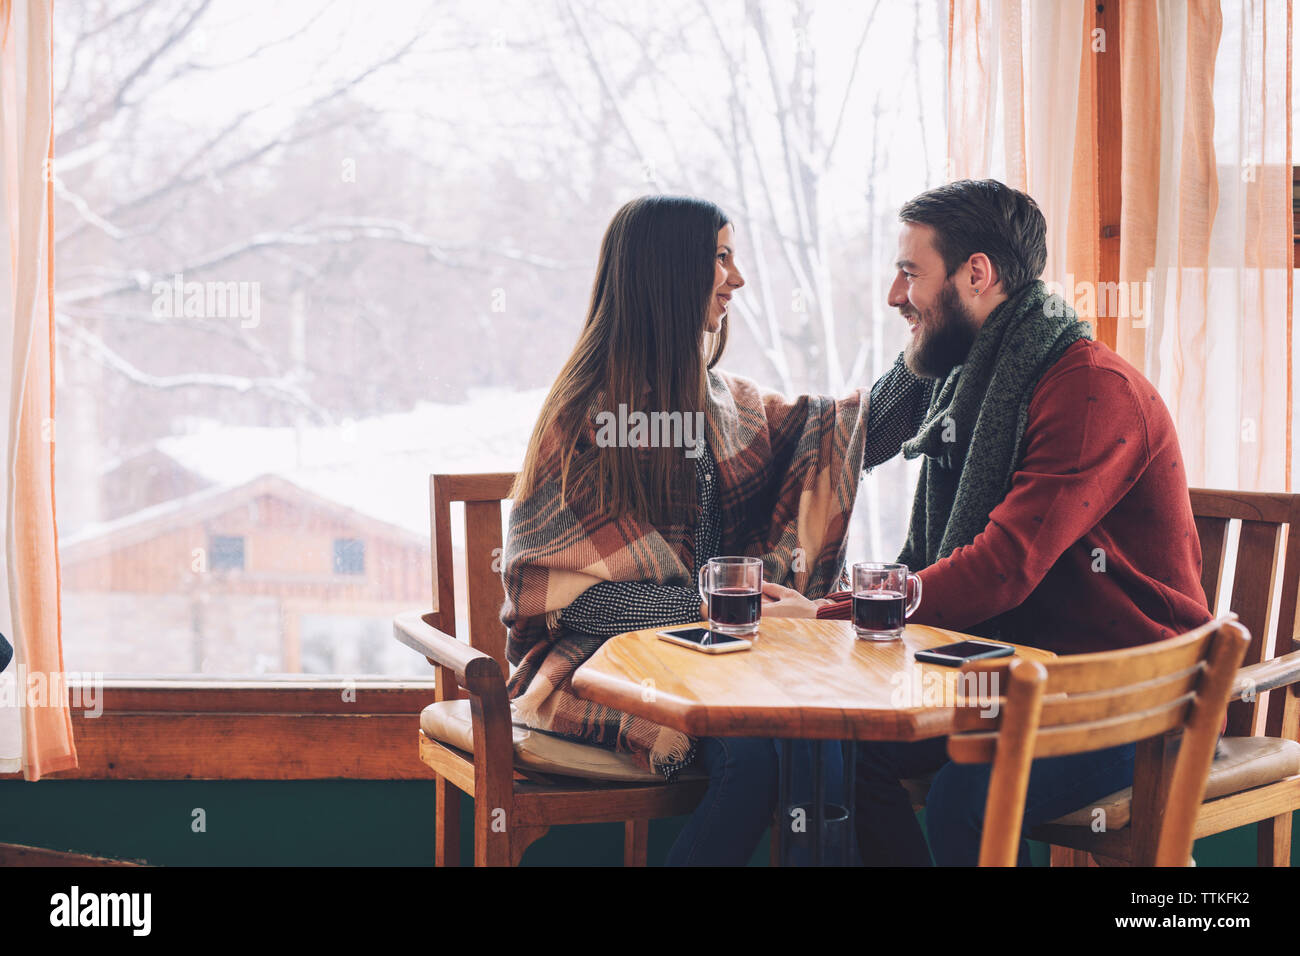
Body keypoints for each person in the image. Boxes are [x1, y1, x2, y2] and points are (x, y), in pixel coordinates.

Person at [761, 179, 1213, 866]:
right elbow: (854, 434)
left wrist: (834, 615)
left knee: (966, 799)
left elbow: (1004, 564)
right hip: (1018, 682)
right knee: (848, 754)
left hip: (1132, 697)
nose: (892, 295)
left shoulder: (1091, 390)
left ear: (978, 273)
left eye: (910, 273)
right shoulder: (969, 376)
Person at [500, 194, 929, 866]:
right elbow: (573, 604)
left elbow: (850, 435)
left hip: (718, 656)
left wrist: (928, 338)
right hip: (599, 663)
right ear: (670, 276)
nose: (738, 278)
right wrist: (706, 607)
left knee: (826, 734)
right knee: (753, 761)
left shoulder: (723, 401)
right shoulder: (583, 420)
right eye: (721, 258)